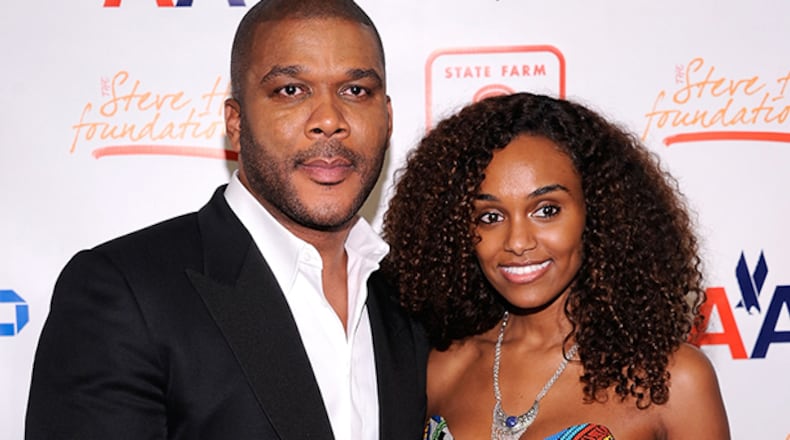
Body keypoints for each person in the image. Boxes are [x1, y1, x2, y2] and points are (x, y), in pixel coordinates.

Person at [25, 1, 427, 439]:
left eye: (355, 91)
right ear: (235, 123)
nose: (329, 120)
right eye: (291, 90)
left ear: (387, 119)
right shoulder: (124, 294)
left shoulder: (411, 302)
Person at [381, 92, 730, 439]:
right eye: (490, 216)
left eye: (546, 210)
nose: (518, 241)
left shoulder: (670, 380)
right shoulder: (441, 369)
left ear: (596, 213)